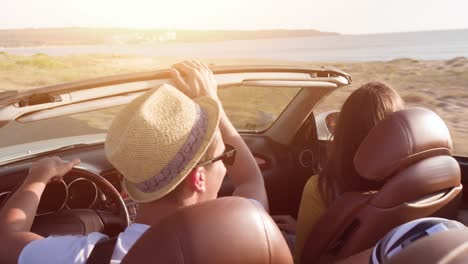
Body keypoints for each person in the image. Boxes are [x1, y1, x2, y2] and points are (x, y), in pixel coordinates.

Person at [0, 60, 268, 264]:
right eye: (225, 158)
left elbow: (7, 241)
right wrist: (214, 104)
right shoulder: (248, 233)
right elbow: (250, 179)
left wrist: (37, 178)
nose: (226, 165)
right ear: (198, 179)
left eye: (226, 157)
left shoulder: (91, 256)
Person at [274, 82, 405, 260]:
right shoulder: (411, 182)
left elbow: (304, 259)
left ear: (343, 133)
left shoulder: (321, 188)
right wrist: (308, 230)